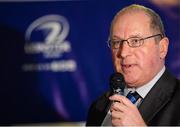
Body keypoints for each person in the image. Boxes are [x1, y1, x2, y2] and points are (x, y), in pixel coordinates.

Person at [86, 4, 180, 126]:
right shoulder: (99, 106)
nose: (123, 53)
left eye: (136, 41)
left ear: (162, 48)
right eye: (117, 42)